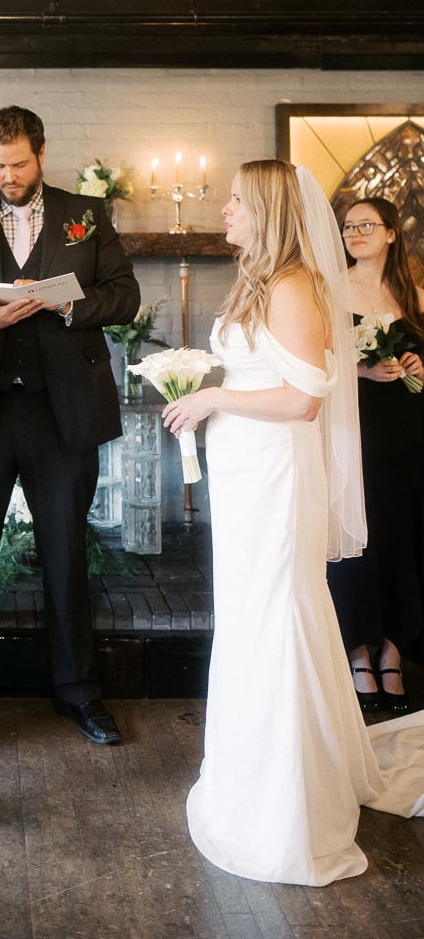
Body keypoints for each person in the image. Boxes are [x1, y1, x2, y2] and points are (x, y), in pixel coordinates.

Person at [164, 159, 424, 886]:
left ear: (270, 211)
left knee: (277, 612)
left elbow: (305, 399)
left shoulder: (293, 285)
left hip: (277, 473)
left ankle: (285, 807)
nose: (225, 211)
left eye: (238, 203)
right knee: (253, 614)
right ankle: (254, 771)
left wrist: (214, 401)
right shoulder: (261, 281)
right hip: (249, 474)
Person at [0, 106, 140, 749]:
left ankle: (79, 693)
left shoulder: (86, 213)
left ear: (40, 154)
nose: (7, 176)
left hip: (60, 411)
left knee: (67, 554)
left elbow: (124, 295)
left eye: (17, 164)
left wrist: (70, 301)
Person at [327, 196, 424, 715]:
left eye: (366, 225)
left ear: (391, 233)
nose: (355, 232)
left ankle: (394, 649)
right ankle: (359, 651)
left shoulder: (414, 292)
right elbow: (315, 360)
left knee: (401, 536)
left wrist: (418, 366)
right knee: (358, 536)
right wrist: (361, 373)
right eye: (348, 227)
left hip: (408, 434)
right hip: (354, 430)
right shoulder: (331, 288)